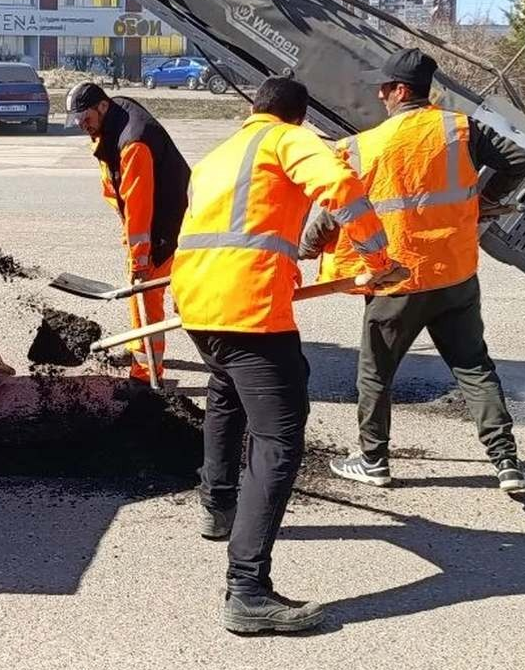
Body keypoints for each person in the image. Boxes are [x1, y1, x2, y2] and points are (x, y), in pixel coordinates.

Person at [171, 76, 407, 634]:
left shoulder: (216, 156)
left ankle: (216, 504)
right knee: (278, 439)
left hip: (197, 302)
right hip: (248, 308)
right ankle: (247, 590)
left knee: (225, 392)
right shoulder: (285, 139)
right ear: (297, 116)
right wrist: (378, 252)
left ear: (254, 108)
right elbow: (339, 185)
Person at [301, 47, 525, 493]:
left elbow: (338, 205)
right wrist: (484, 203)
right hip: (454, 274)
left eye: (385, 88)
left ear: (400, 91)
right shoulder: (459, 129)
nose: (381, 94)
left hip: (397, 279)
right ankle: (506, 462)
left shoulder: (366, 145)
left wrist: (307, 246)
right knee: (473, 366)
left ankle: (373, 460)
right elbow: (520, 159)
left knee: (376, 373)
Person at [66, 81, 190, 388]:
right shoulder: (113, 115)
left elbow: (139, 206)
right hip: (154, 217)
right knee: (142, 295)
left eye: (86, 119)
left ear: (103, 107)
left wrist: (140, 260)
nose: (83, 126)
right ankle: (140, 347)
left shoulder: (134, 143)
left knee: (145, 293)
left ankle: (146, 375)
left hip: (165, 223)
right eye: (78, 120)